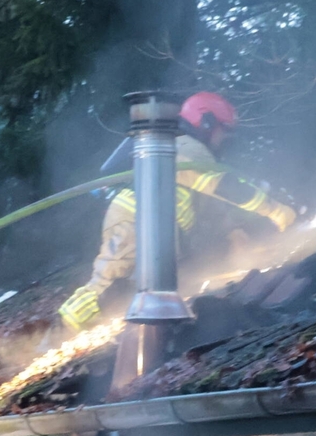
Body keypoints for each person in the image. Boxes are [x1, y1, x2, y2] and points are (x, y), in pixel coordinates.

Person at [57, 91, 300, 332]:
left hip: (146, 222)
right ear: (206, 123)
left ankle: (116, 329)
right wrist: (276, 211)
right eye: (222, 132)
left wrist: (235, 234)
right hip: (136, 221)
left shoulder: (188, 149)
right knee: (104, 287)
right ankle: (58, 335)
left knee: (132, 287)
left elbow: (209, 203)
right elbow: (223, 187)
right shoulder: (188, 147)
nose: (224, 140)